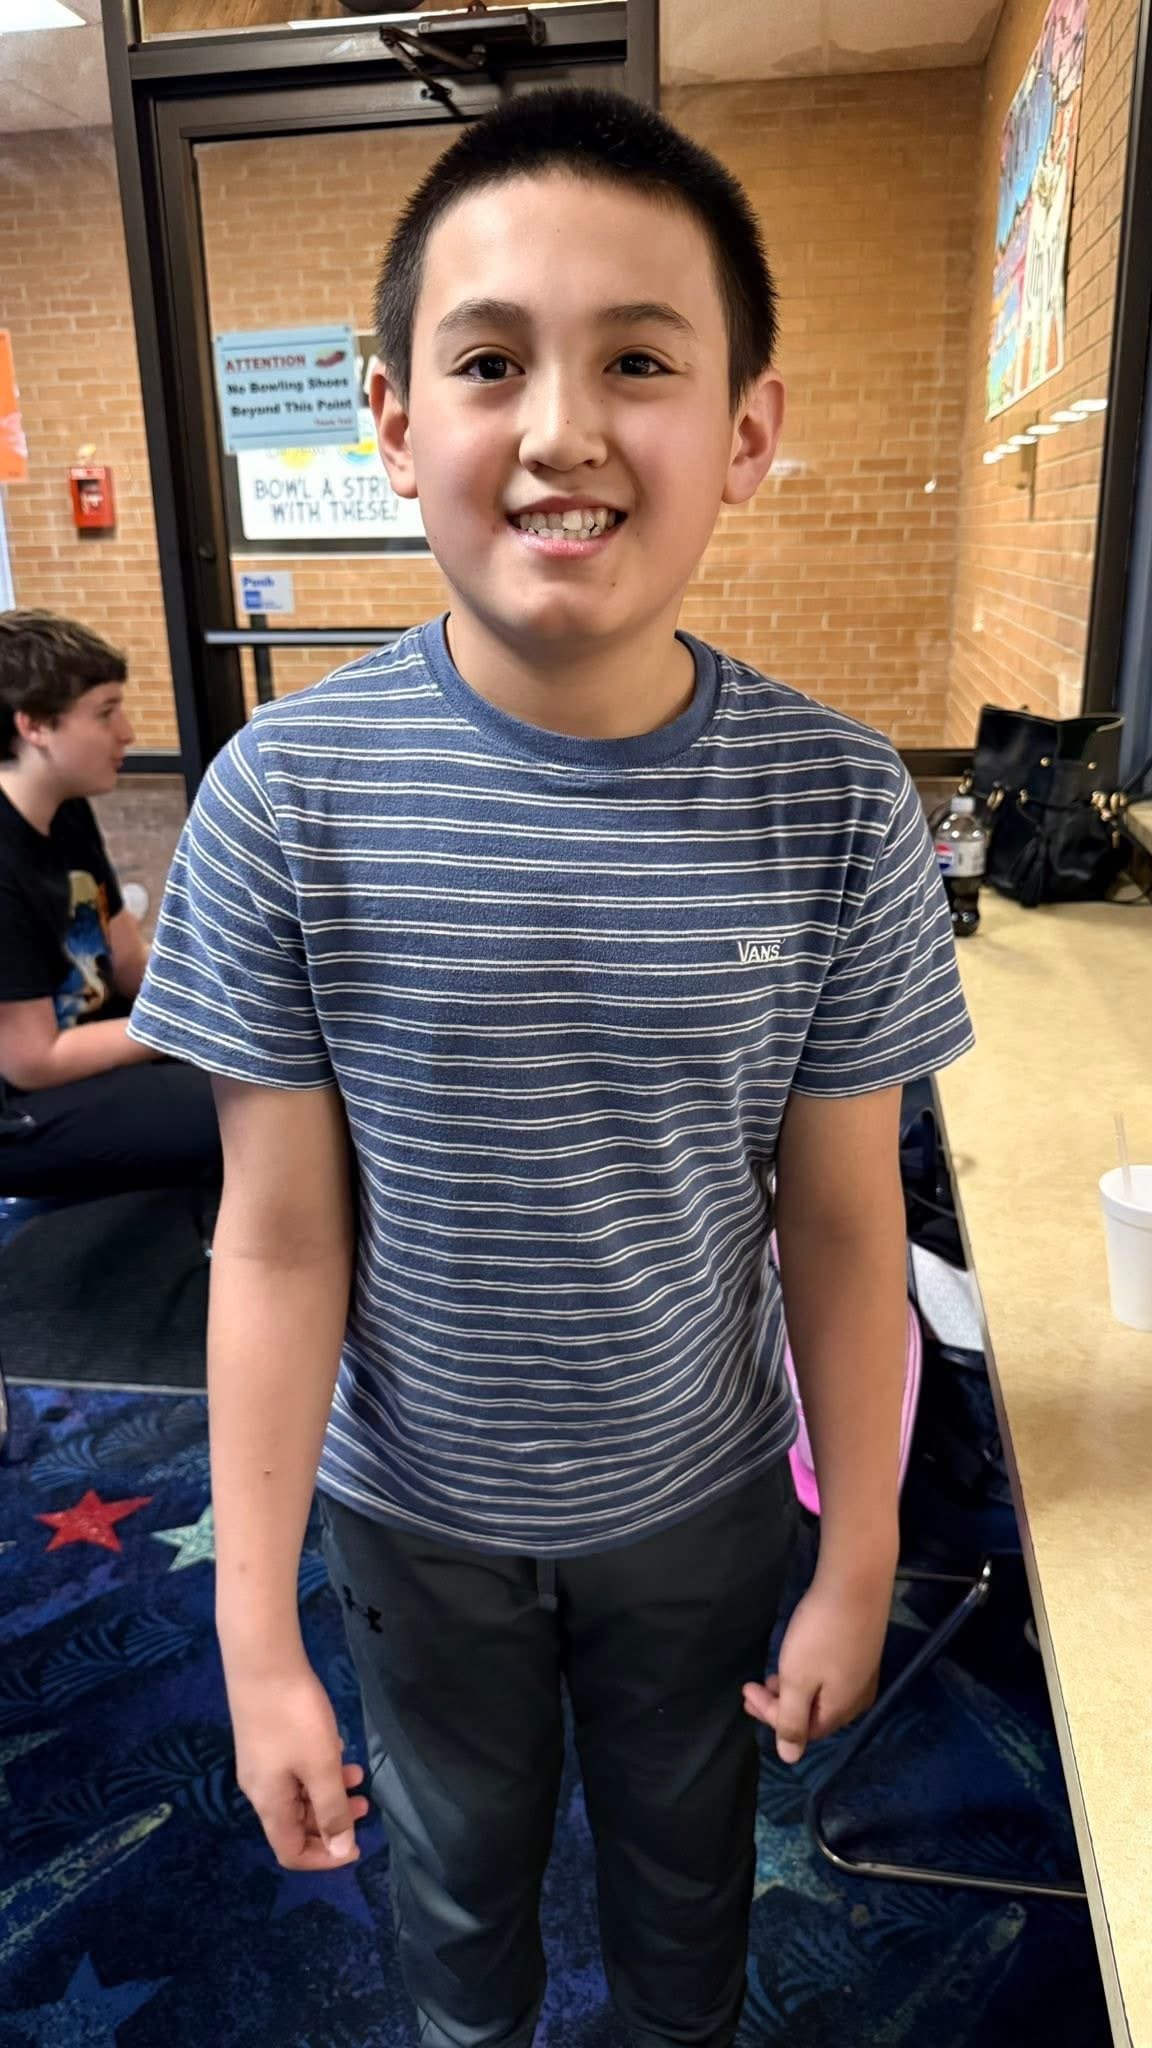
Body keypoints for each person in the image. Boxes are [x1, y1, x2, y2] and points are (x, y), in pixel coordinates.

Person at [128, 87, 975, 2048]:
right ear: (396, 415)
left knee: (693, 1870)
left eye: (642, 363)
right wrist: (256, 1634)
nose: (567, 428)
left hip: (697, 1497)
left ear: (747, 429)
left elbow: (845, 1227)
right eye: (493, 359)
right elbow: (270, 1243)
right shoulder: (283, 801)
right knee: (455, 1873)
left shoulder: (838, 806)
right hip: (412, 1508)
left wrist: (860, 1549)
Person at [0, 610, 221, 1197]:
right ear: (35, 727)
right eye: (104, 713)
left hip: (88, 1049)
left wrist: (235, 993)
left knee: (264, 1069)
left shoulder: (67, 810)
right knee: (224, 1114)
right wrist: (191, 1022)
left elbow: (127, 964)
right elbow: (32, 1061)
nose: (126, 731)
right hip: (22, 1106)